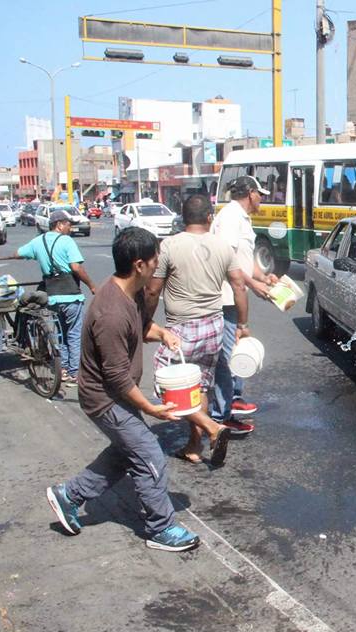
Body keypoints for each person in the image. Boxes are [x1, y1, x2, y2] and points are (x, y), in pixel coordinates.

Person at [46, 227, 215, 552]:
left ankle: (69, 495)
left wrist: (162, 333)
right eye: (155, 259)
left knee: (127, 452)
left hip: (116, 395)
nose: (158, 265)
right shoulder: (110, 312)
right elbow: (117, 377)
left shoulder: (130, 291)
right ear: (140, 264)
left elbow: (139, 326)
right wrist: (151, 408)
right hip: (105, 399)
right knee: (149, 453)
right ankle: (160, 528)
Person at [145, 194, 247, 464]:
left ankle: (212, 428)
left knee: (165, 384)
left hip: (182, 327)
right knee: (198, 386)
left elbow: (154, 290)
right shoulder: (222, 246)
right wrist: (243, 324)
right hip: (213, 325)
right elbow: (239, 286)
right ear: (209, 217)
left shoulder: (169, 245)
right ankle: (194, 445)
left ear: (183, 217)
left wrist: (144, 319)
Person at [209, 176, 278, 434]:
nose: (262, 198)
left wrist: (262, 276)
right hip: (226, 297)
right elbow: (228, 260)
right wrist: (252, 283)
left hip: (235, 294)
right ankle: (220, 415)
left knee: (234, 349)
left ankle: (231, 400)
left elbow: (244, 258)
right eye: (260, 194)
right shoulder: (230, 217)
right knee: (227, 357)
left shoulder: (241, 217)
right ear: (250, 193)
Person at [15, 210, 96, 385]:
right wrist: (91, 285)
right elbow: (76, 267)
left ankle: (64, 369)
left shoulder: (38, 241)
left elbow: (19, 253)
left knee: (60, 333)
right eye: (68, 224)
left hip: (51, 297)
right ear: (59, 225)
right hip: (70, 295)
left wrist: (36, 255)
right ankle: (75, 373)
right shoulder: (67, 241)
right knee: (74, 334)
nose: (70, 228)